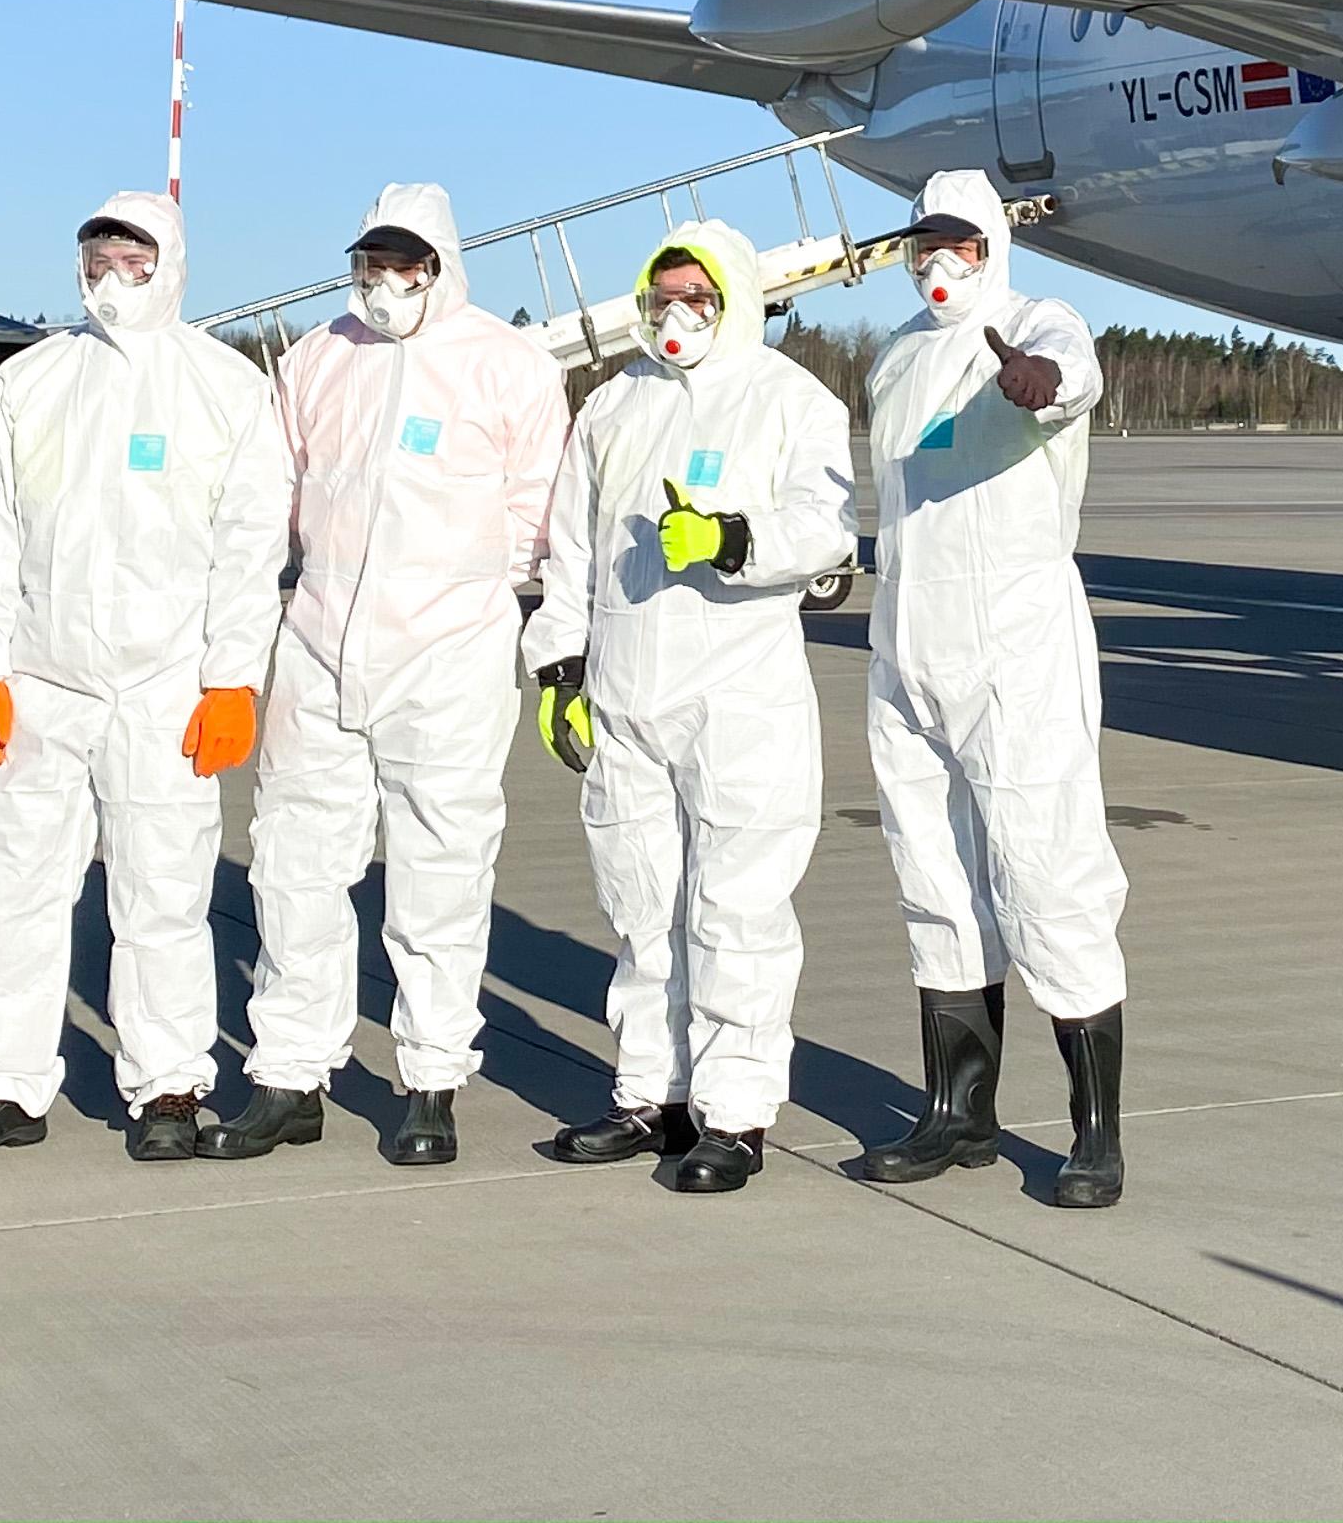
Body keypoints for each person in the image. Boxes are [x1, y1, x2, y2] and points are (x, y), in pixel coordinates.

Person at [0, 190, 287, 1166]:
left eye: (133, 261)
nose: (113, 279)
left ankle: (167, 1085)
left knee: (162, 891)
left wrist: (233, 678)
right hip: (41, 681)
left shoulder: (224, 385)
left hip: (167, 686)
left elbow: (250, 543)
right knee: (7, 886)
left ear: (170, 265)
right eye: (98, 261)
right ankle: (0, 1084)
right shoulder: (34, 380)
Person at [209, 186, 566, 1170]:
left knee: (438, 872)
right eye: (371, 263)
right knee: (293, 861)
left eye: (405, 265)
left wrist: (477, 598)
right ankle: (289, 1073)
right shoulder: (319, 358)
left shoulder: (507, 363)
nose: (385, 282)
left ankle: (430, 1080)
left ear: (439, 266)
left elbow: (540, 508)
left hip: (449, 650)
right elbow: (268, 497)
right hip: (321, 639)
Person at [523, 221, 854, 1193]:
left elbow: (828, 527)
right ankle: (650, 1094)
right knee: (641, 903)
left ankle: (735, 1112)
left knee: (735, 907)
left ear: (734, 299)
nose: (678, 315)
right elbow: (571, 549)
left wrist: (733, 539)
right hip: (627, 692)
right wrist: (559, 667)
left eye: (697, 297)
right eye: (663, 297)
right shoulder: (614, 404)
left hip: (739, 695)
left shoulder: (789, 399)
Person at [851, 171, 1132, 1206]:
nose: (938, 261)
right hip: (909, 650)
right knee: (933, 878)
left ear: (990, 247)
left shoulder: (1035, 321)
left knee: (1049, 873)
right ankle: (958, 1112)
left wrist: (1041, 381)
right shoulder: (895, 358)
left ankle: (1095, 1134)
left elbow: (1075, 375)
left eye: (958, 243)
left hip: (1015, 652)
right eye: (923, 243)